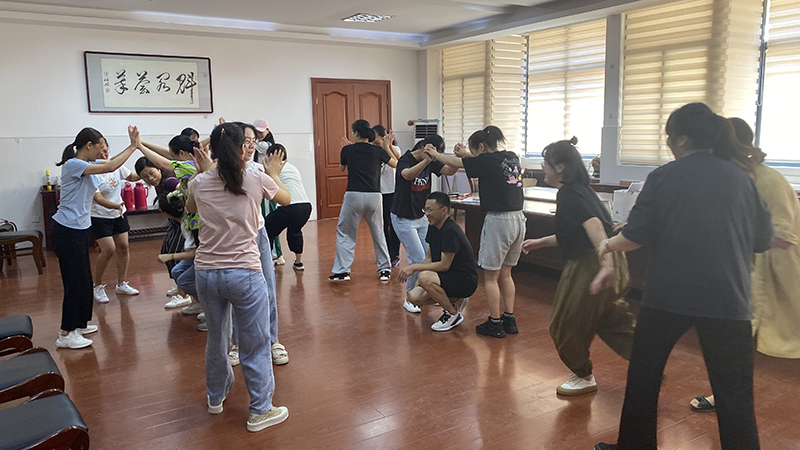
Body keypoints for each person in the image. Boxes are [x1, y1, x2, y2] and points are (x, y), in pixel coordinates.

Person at [593, 103, 773, 450]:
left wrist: (607, 244)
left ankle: (635, 446)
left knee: (644, 376)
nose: (668, 145)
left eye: (669, 138)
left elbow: (634, 237)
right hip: (729, 298)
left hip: (669, 296)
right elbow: (763, 240)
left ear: (683, 139)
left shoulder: (664, 176)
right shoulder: (742, 178)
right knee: (735, 392)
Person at [689, 117, 800, 413]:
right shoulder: (730, 178)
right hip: (741, 272)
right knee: (734, 341)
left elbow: (782, 237)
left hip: (776, 273)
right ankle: (725, 396)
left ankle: (728, 399)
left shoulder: (769, 181)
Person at [186, 122, 290, 432]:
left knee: (217, 338)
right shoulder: (255, 176)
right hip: (244, 273)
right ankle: (260, 410)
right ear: (242, 147)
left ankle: (215, 397)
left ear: (213, 150)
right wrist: (274, 173)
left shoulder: (199, 182)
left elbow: (191, 207)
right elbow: (285, 199)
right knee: (255, 343)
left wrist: (202, 171)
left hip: (207, 274)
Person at [521, 136, 635, 396]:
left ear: (560, 167)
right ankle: (650, 365)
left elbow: (594, 227)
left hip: (592, 263)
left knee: (564, 325)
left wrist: (605, 266)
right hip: (611, 258)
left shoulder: (569, 193)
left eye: (546, 163)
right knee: (610, 320)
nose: (543, 168)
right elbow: (576, 232)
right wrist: (540, 242)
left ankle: (583, 376)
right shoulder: (582, 190)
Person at [425, 126, 526, 338]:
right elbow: (483, 161)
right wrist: (466, 154)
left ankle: (495, 323)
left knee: (490, 277)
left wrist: (435, 154)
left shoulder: (486, 160)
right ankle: (509, 319)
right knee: (506, 274)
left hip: (499, 220)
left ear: (481, 146)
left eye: (474, 151)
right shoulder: (511, 157)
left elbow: (456, 163)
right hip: (519, 219)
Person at [52, 126, 139, 349]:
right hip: (67, 230)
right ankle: (66, 333)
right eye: (100, 147)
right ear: (89, 145)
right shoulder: (74, 164)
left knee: (83, 280)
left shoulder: (89, 164)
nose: (103, 152)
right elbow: (110, 165)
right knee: (75, 282)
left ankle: (79, 325)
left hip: (79, 229)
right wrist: (133, 146)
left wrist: (133, 152)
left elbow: (113, 164)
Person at [237, 122, 290, 365]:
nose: (250, 146)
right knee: (235, 291)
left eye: (252, 141)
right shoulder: (218, 173)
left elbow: (285, 197)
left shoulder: (258, 170)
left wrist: (274, 174)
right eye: (246, 141)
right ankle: (237, 343)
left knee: (268, 288)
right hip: (231, 238)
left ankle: (273, 340)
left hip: (257, 233)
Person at [391, 136, 458, 313]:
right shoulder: (405, 159)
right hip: (403, 217)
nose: (435, 159)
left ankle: (425, 293)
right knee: (418, 259)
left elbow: (449, 171)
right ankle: (410, 297)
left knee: (431, 257)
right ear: (423, 147)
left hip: (422, 216)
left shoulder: (432, 160)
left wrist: (459, 158)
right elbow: (407, 175)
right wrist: (426, 161)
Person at [398, 192, 478, 331]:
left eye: (430, 210)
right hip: (447, 277)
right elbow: (429, 256)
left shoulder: (450, 230)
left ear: (444, 210)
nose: (426, 214)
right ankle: (456, 299)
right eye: (425, 210)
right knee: (414, 296)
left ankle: (452, 314)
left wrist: (415, 268)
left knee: (425, 277)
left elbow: (444, 265)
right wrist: (419, 283)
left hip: (465, 280)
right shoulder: (433, 226)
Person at [329, 119, 396, 282]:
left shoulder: (348, 150)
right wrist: (387, 146)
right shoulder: (377, 150)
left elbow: (342, 168)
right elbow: (395, 164)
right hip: (375, 195)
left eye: (352, 132)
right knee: (378, 232)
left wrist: (346, 150)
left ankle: (342, 271)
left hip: (354, 195)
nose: (352, 134)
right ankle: (385, 270)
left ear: (357, 133)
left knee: (346, 232)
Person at [90, 145, 142, 303]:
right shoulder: (92, 171)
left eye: (106, 151)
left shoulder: (116, 166)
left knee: (124, 247)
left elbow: (131, 176)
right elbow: (97, 198)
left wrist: (147, 172)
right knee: (108, 249)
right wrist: (116, 206)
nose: (104, 154)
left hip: (118, 214)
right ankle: (97, 285)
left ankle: (121, 284)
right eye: (100, 152)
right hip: (99, 215)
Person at [134, 157, 185, 300]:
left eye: (152, 173)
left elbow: (185, 191)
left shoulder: (169, 181)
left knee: (177, 255)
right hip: (174, 223)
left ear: (159, 169)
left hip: (184, 223)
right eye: (145, 176)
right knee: (166, 250)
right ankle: (180, 286)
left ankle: (183, 295)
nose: (150, 178)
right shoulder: (158, 184)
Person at [263, 143, 312, 272]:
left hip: (290, 207)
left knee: (267, 229)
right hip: (306, 207)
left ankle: (268, 261)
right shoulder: (293, 167)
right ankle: (298, 262)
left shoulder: (273, 169)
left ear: (271, 157)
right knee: (295, 231)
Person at [373, 125, 402, 268]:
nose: (373, 138)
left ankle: (395, 254)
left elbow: (398, 162)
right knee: (382, 224)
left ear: (383, 136)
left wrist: (387, 146)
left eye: (375, 135)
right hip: (379, 193)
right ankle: (386, 253)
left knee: (393, 224)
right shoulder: (374, 151)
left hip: (393, 192)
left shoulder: (395, 149)